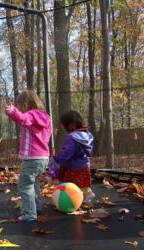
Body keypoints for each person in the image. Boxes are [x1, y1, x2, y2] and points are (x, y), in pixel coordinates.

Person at [5, 90, 52, 222]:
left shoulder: (31, 115)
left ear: (25, 105)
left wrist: (13, 111)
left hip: (32, 158)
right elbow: (22, 120)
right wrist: (14, 113)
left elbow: (23, 118)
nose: (20, 109)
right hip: (43, 157)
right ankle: (36, 206)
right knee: (33, 182)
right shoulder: (44, 117)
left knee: (25, 185)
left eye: (20, 106)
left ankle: (29, 214)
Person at [49, 110, 95, 203]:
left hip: (73, 167)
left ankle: (72, 200)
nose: (64, 128)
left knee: (71, 185)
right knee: (82, 183)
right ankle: (88, 193)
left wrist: (55, 159)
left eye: (65, 125)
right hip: (85, 165)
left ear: (70, 125)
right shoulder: (87, 135)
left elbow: (66, 153)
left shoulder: (73, 137)